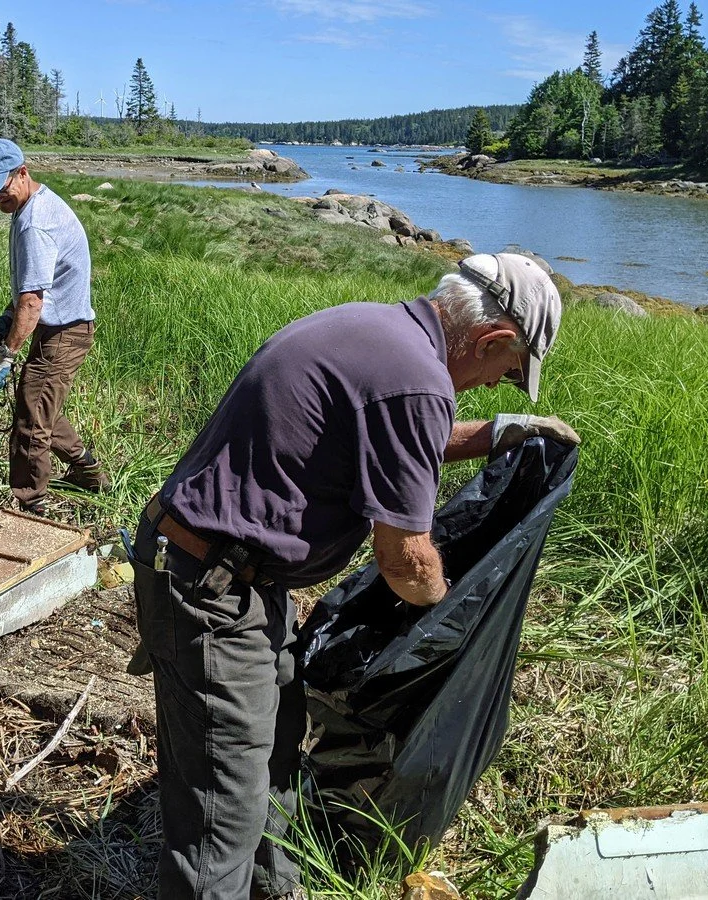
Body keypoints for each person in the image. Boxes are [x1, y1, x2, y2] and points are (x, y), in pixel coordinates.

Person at [129, 253, 580, 899]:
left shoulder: (376, 333)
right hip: (213, 588)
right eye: (502, 374)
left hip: (241, 580)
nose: (488, 386)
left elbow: (400, 433)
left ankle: (276, 892)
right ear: (494, 338)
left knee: (277, 763)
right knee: (219, 817)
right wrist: (450, 615)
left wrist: (499, 434)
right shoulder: (415, 377)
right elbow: (405, 560)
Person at [0, 138, 108, 516]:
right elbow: (31, 287)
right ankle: (88, 471)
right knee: (38, 406)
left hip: (64, 332)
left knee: (30, 425)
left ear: (23, 173)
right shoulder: (32, 205)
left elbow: (33, 301)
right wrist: (6, 318)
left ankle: (30, 508)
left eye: (2, 188)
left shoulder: (35, 224)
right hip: (59, 328)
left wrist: (7, 355)